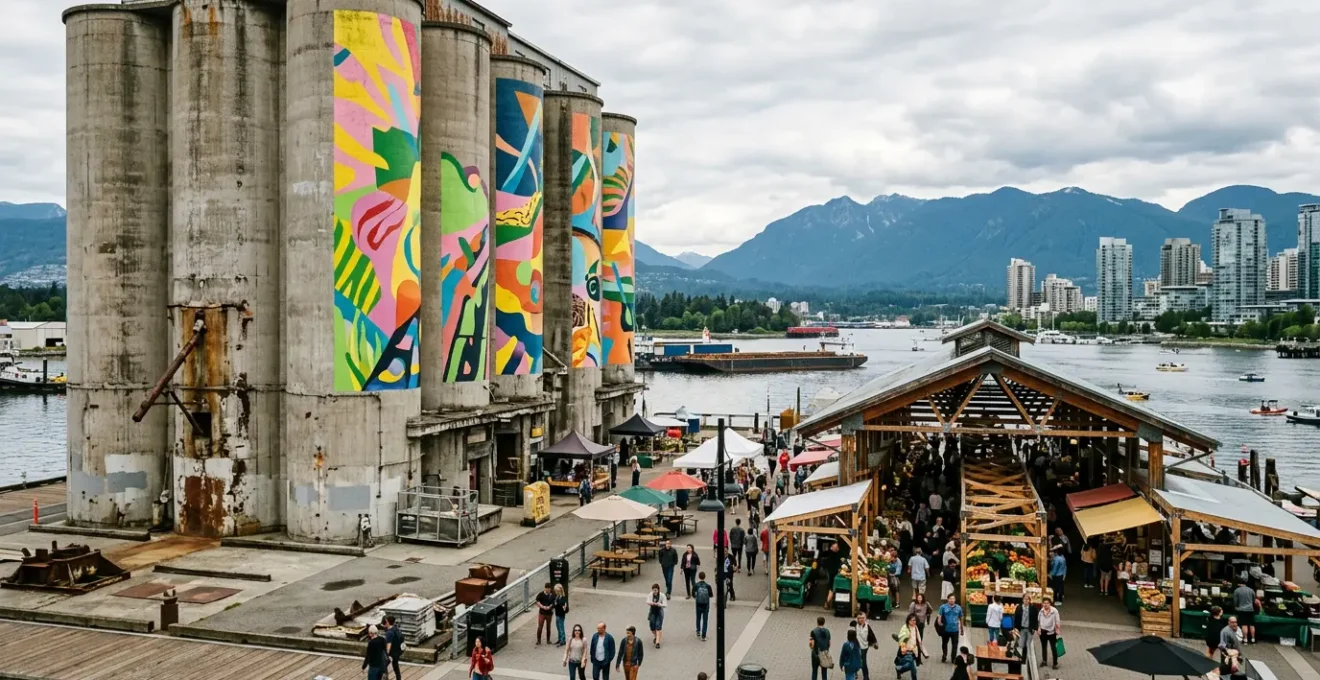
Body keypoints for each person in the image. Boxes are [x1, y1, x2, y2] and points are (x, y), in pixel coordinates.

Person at [849, 612, 878, 680]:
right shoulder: (855, 625)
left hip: (864, 646)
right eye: (859, 618)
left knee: (863, 662)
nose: (861, 620)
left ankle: (866, 677)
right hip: (856, 646)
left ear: (865, 619)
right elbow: (850, 626)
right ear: (857, 619)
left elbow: (871, 635)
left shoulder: (867, 626)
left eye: (862, 618)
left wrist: (875, 643)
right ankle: (855, 672)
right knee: (855, 659)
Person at [937, 594, 963, 663]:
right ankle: (944, 655)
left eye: (953, 599)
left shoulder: (958, 608)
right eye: (950, 599)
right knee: (944, 643)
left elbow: (961, 618)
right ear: (948, 599)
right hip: (946, 629)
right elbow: (939, 615)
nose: (952, 600)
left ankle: (953, 658)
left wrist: (962, 628)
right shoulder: (943, 607)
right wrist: (939, 623)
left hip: (955, 630)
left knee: (955, 645)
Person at [1037, 598, 1061, 670]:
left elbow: (1057, 621)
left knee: (1053, 648)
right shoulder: (1041, 611)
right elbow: (1038, 620)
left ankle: (1055, 663)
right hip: (1043, 632)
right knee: (1044, 647)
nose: (1045, 604)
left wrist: (1057, 629)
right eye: (1044, 603)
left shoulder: (1054, 611)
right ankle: (1044, 661)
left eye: (1047, 603)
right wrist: (1039, 629)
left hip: (1051, 632)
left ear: (1050, 604)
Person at [894, 614, 920, 680]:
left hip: (914, 650)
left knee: (910, 665)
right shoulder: (904, 627)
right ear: (908, 621)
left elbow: (918, 638)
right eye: (913, 620)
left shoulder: (915, 627)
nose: (914, 622)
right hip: (906, 651)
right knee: (913, 668)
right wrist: (906, 636)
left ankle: (899, 670)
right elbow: (900, 638)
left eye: (915, 620)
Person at [1232, 580, 1257, 644]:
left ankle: (1245, 639)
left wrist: (1236, 607)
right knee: (1251, 624)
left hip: (1241, 609)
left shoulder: (1237, 590)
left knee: (1244, 625)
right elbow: (1254, 600)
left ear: (1239, 584)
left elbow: (1235, 601)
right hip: (1250, 609)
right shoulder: (1251, 590)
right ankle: (1253, 639)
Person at [382, 615, 404, 680]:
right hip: (398, 652)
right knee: (395, 666)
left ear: (387, 622)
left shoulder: (389, 633)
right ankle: (398, 678)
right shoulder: (396, 629)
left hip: (391, 654)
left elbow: (388, 646)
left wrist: (387, 654)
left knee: (383, 666)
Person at [810, 616, 832, 680]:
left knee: (814, 671)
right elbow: (830, 643)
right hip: (824, 654)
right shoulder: (827, 631)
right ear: (824, 623)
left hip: (816, 654)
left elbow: (812, 644)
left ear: (817, 622)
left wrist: (811, 647)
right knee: (824, 672)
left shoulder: (813, 631)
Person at [646, 583, 667, 648]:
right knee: (652, 626)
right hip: (652, 611)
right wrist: (651, 603)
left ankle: (657, 642)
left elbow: (665, 604)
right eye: (653, 590)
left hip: (659, 611)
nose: (654, 591)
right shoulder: (650, 594)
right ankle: (656, 636)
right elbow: (647, 601)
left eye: (656, 590)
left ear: (658, 590)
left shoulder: (662, 595)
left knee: (658, 626)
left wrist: (659, 604)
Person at [1018, 593, 1039, 659]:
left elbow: (1036, 619)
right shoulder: (1019, 607)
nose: (1026, 600)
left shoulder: (1033, 608)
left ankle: (1028, 658)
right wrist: (1016, 627)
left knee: (1028, 644)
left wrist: (1035, 628)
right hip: (1022, 628)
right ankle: (1020, 657)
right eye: (1025, 599)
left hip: (1030, 629)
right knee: (1021, 644)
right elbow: (1016, 618)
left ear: (1029, 600)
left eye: (1027, 599)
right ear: (1022, 600)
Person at [694, 571, 712, 640]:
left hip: (698, 604)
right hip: (706, 605)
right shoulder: (708, 586)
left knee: (698, 617)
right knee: (705, 619)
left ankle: (698, 630)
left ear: (699, 577)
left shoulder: (696, 585)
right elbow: (711, 595)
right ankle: (703, 635)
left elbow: (693, 594)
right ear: (704, 577)